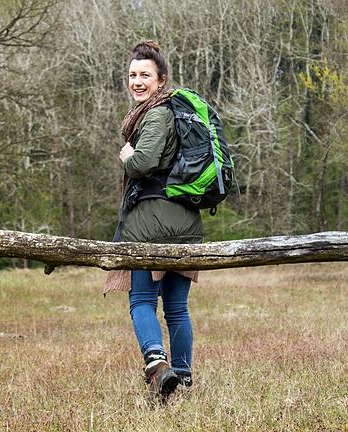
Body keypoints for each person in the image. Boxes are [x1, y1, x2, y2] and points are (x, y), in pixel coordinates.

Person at [116, 40, 204, 399]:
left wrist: (128, 156)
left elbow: (145, 163)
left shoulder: (157, 113)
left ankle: (156, 365)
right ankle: (182, 377)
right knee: (177, 307)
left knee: (141, 302)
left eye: (145, 75)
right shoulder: (178, 114)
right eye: (132, 75)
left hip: (152, 223)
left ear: (161, 80)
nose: (137, 81)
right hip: (186, 221)